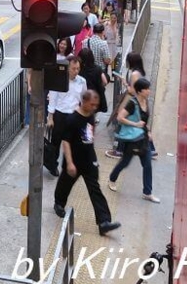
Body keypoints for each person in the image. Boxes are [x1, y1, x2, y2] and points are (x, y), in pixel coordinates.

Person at [53, 90, 121, 236]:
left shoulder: (90, 116)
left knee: (95, 189)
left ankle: (104, 221)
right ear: (83, 102)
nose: (94, 107)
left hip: (89, 160)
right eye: (91, 104)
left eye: (95, 105)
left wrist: (94, 159)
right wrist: (70, 163)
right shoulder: (72, 119)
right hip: (74, 160)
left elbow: (89, 137)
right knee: (65, 184)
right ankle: (59, 202)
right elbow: (66, 142)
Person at [108, 78, 160, 203]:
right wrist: (135, 124)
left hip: (144, 139)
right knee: (125, 162)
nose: (149, 91)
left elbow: (144, 120)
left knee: (147, 165)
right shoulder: (132, 103)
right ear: (140, 91)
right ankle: (112, 179)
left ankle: (147, 192)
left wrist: (148, 131)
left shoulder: (146, 102)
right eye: (146, 89)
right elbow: (120, 117)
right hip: (132, 140)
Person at [45, 56, 86, 176]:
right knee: (56, 142)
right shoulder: (58, 80)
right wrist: (50, 117)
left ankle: (69, 164)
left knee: (73, 142)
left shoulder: (82, 81)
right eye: (73, 68)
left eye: (78, 68)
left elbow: (84, 100)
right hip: (60, 114)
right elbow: (53, 99)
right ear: (68, 69)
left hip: (74, 115)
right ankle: (53, 165)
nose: (76, 71)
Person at [106, 52, 148, 159]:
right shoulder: (140, 73)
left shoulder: (134, 74)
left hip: (130, 100)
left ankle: (119, 150)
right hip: (136, 102)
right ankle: (123, 149)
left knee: (122, 121)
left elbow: (133, 90)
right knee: (126, 124)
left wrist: (124, 83)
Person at [79, 48, 108, 116]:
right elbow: (105, 81)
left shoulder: (79, 69)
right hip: (94, 94)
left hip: (82, 95)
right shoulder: (97, 68)